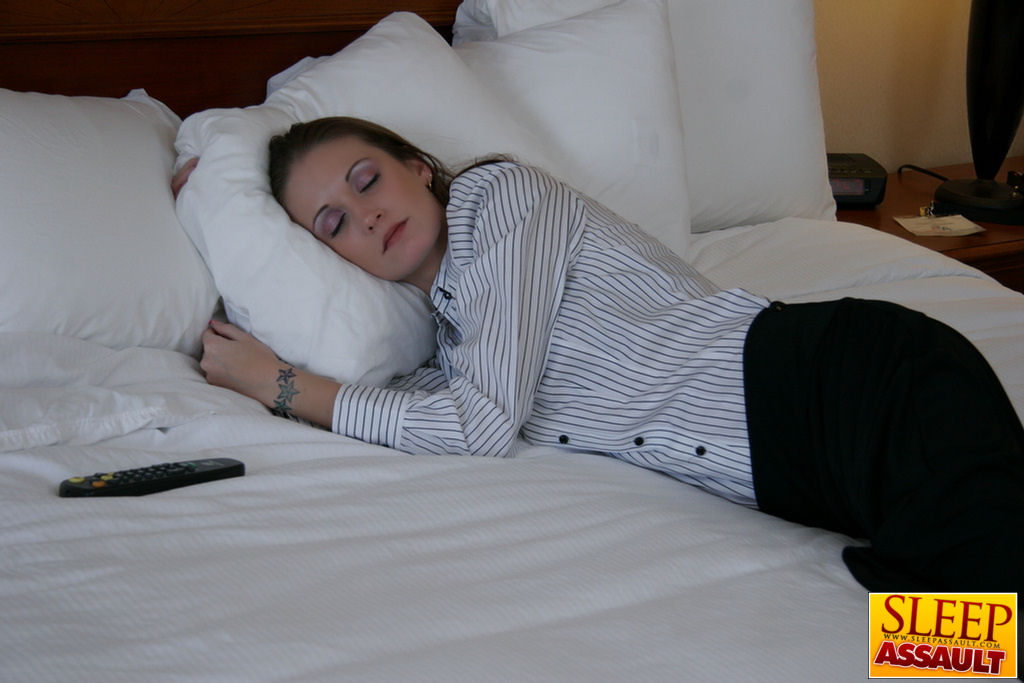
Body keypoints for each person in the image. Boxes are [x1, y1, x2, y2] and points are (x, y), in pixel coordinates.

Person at [177, 116, 1024, 593]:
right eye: (332, 223)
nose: (363, 215)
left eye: (366, 179)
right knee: (930, 630)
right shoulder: (452, 349)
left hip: (845, 380)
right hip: (813, 467)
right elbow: (445, 410)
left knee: (981, 639)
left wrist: (284, 386)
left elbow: (480, 426)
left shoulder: (499, 198)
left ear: (417, 167)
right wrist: (213, 192)